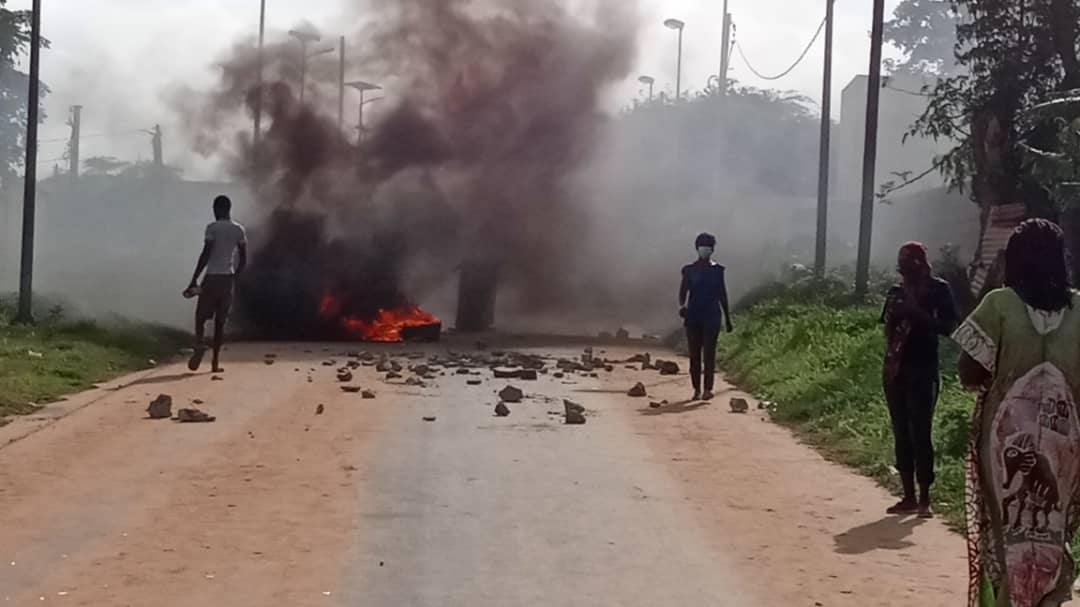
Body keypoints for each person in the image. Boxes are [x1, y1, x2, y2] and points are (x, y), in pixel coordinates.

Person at [954, 219, 1080, 607]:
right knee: (1052, 528)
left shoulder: (1000, 304)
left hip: (1003, 441)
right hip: (1067, 447)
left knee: (1006, 530)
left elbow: (969, 371)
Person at [880, 241, 957, 518]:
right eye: (903, 270)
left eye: (911, 269)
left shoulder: (938, 290)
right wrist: (897, 314)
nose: (907, 276)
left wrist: (919, 315)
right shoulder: (896, 292)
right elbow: (888, 331)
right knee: (901, 431)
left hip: (924, 369)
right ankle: (908, 496)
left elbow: (949, 327)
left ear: (923, 266)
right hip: (895, 370)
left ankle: (925, 498)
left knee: (920, 432)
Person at [185, 195, 247, 373]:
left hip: (211, 278)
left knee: (200, 317)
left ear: (218, 209)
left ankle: (199, 345)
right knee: (220, 322)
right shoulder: (239, 230)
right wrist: (236, 277)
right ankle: (215, 363)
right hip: (227, 280)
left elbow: (206, 253)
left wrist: (194, 278)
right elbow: (243, 259)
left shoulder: (212, 228)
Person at [678, 233, 733, 401]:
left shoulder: (718, 271)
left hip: (712, 316)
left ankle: (708, 389)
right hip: (693, 316)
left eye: (708, 246)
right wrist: (682, 307)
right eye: (702, 246)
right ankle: (696, 389)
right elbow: (683, 292)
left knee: (709, 353)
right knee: (695, 355)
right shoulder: (689, 270)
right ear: (697, 248)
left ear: (712, 249)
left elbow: (722, 294)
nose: (705, 249)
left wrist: (728, 319)